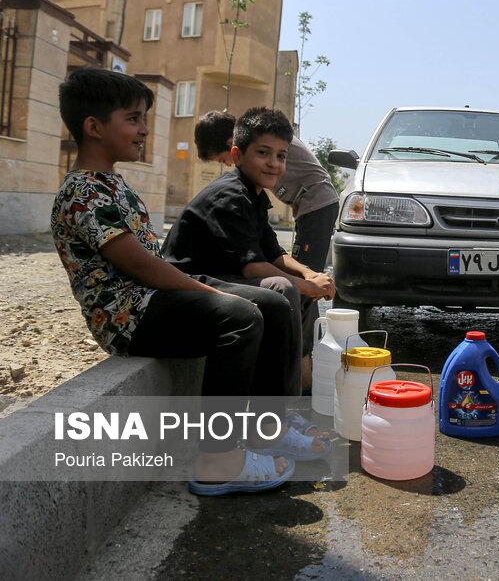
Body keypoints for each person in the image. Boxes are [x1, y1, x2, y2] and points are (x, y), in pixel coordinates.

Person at [51, 68, 326, 496]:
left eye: (144, 118)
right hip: (128, 316)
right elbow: (142, 266)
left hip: (152, 298)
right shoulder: (83, 192)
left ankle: (266, 429)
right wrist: (211, 293)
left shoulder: (112, 184)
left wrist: (301, 276)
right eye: (134, 119)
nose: (144, 130)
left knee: (272, 303)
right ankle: (217, 459)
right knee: (241, 316)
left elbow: (266, 255)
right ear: (93, 127)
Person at [163, 107, 337, 397]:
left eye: (281, 156)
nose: (273, 164)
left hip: (221, 276)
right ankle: (273, 419)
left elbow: (273, 253)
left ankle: (294, 395)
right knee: (283, 289)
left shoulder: (254, 195)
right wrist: (307, 286)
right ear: (236, 155)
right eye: (263, 153)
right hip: (191, 286)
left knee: (295, 288)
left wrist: (310, 273)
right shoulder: (230, 196)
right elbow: (253, 268)